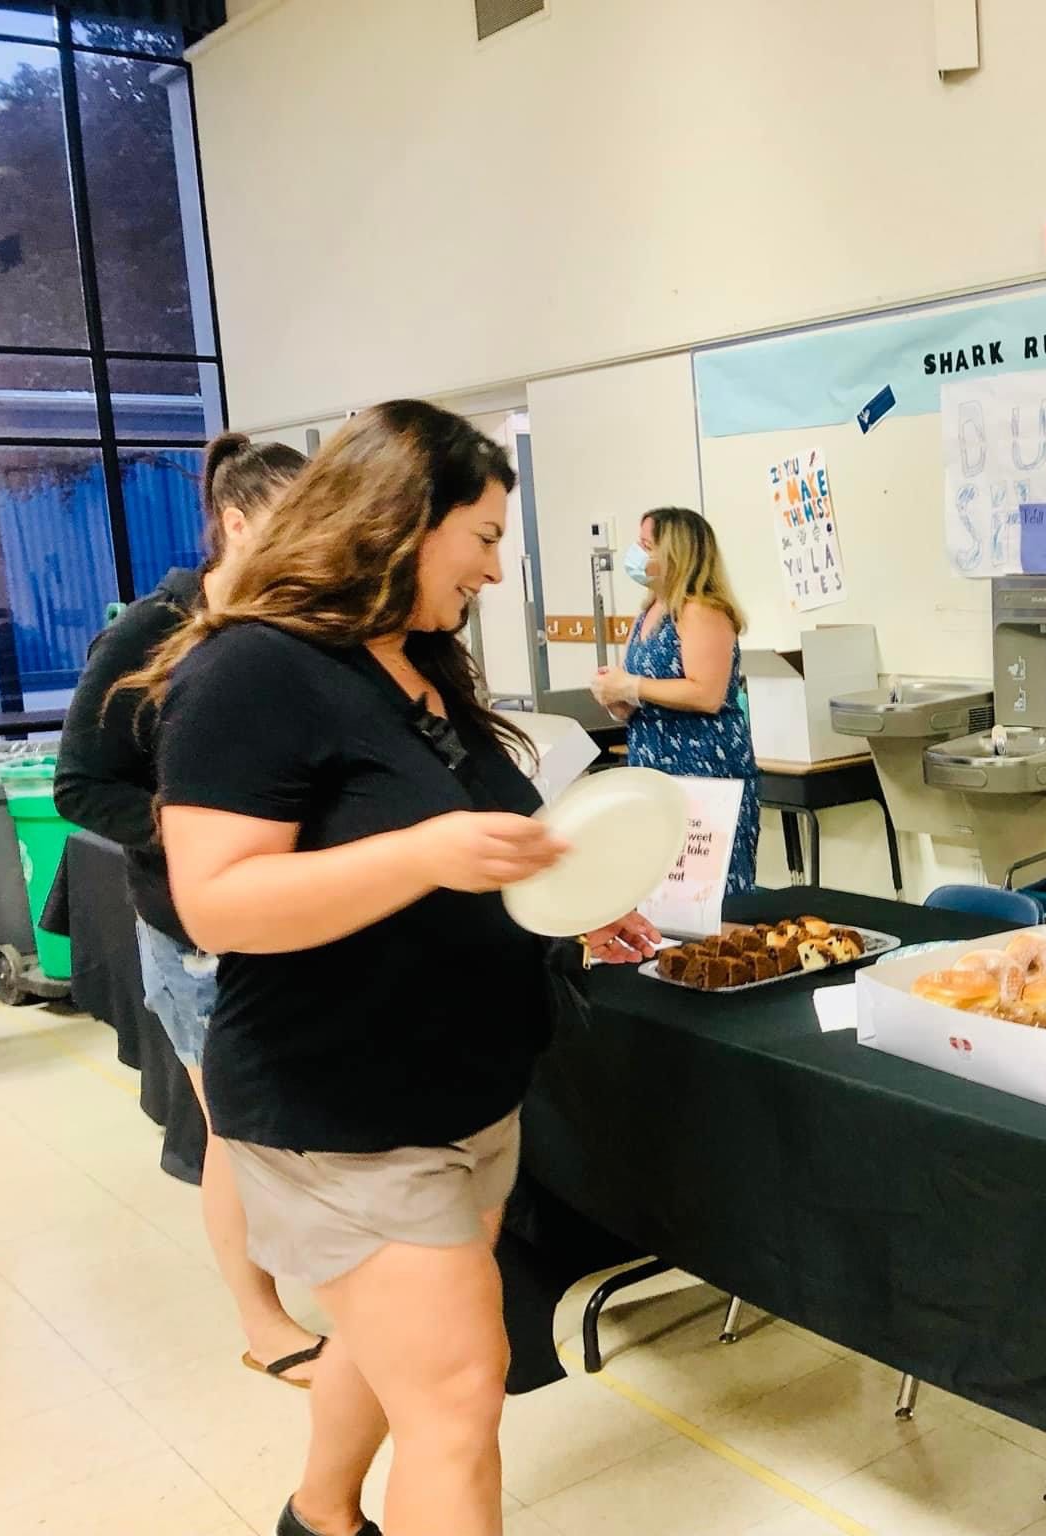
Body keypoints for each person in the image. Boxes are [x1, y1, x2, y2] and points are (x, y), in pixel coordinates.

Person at [125, 400, 648, 1536]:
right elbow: (218, 903)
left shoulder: (413, 664)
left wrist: (565, 910)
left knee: (389, 1339)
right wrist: (422, 853)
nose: (496, 570)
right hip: (341, 1109)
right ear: (403, 523)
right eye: (484, 537)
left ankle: (319, 1517)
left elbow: (483, 854)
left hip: (461, 1086)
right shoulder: (251, 673)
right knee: (459, 1398)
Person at [55, 433, 333, 1386]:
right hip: (195, 934)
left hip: (288, 923)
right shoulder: (148, 632)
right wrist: (197, 833)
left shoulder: (287, 626)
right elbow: (80, 787)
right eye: (295, 529)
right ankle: (260, 1319)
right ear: (236, 523)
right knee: (236, 1131)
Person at [589, 506, 761, 894]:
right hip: (654, 766)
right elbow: (644, 691)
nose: (637, 554)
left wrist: (632, 686)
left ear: (675, 553)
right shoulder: (650, 610)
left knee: (708, 894)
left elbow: (707, 693)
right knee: (661, 890)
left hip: (704, 768)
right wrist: (615, 693)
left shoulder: (702, 609)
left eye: (646, 545)